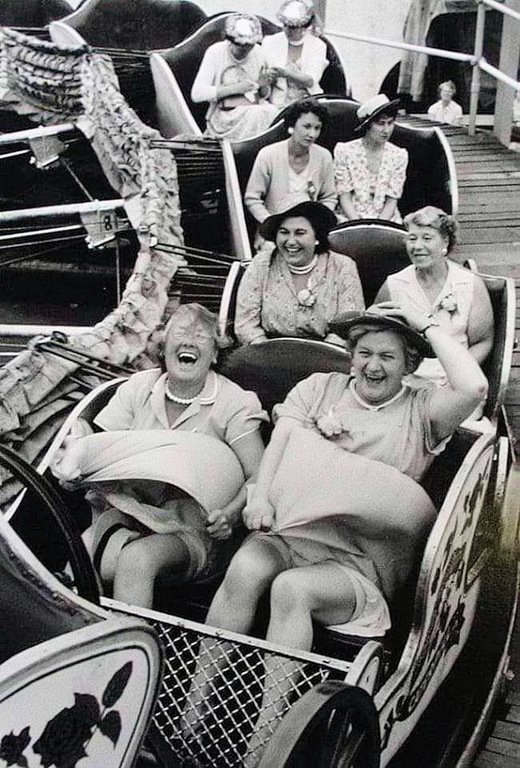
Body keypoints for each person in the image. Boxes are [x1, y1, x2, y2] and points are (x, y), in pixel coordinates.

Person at [182, 306, 488, 765]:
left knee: (291, 589)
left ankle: (263, 744)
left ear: (409, 364)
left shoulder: (423, 410)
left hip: (357, 560)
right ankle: (191, 715)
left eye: (387, 356)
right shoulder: (319, 388)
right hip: (292, 533)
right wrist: (260, 496)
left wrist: (422, 323)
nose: (373, 365)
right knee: (245, 566)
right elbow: (281, 443)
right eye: (364, 352)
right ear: (351, 355)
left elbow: (474, 387)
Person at [51, 303, 267, 608]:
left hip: (195, 532)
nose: (189, 340)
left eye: (200, 336)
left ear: (215, 354)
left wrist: (229, 515)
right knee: (78, 559)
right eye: (180, 332)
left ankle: (135, 639)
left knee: (137, 559)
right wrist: (77, 471)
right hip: (128, 517)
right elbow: (102, 451)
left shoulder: (235, 402)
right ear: (163, 348)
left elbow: (259, 474)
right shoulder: (139, 387)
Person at [373, 206, 494, 387]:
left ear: (445, 241)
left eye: (427, 238)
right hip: (404, 384)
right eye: (412, 238)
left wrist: (457, 375)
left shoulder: (469, 284)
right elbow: (375, 334)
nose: (417, 246)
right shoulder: (394, 284)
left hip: (456, 382)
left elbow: (483, 341)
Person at [234, 201, 364, 346]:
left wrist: (320, 355)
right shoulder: (262, 263)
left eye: (300, 233)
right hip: (266, 351)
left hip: (327, 353)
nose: (290, 241)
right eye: (284, 232)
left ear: (317, 237)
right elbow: (245, 323)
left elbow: (349, 325)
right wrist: (265, 351)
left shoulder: (342, 266)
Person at [244, 99, 337, 227]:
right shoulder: (268, 154)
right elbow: (252, 198)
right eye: (307, 126)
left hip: (310, 230)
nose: (312, 134)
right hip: (273, 229)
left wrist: (316, 221)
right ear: (292, 125)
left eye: (317, 128)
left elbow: (329, 197)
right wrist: (270, 223)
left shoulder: (324, 156)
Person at [191, 13, 278, 140]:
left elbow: (263, 95)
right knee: (256, 113)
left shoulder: (258, 51)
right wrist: (235, 88)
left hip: (253, 105)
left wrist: (263, 84)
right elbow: (197, 94)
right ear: (230, 41)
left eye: (250, 47)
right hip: (225, 111)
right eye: (241, 48)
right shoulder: (215, 52)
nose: (246, 51)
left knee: (272, 111)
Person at [334, 94, 409, 223]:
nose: (386, 130)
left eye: (390, 123)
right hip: (349, 216)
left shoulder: (399, 155)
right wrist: (357, 223)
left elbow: (392, 200)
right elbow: (344, 195)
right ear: (367, 125)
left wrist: (379, 226)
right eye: (381, 123)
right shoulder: (345, 151)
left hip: (386, 218)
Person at [262, 0, 328, 110]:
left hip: (308, 100)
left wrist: (286, 74)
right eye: (285, 25)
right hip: (277, 101)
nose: (287, 30)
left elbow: (310, 81)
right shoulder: (270, 41)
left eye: (293, 27)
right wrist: (268, 75)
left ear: (304, 26)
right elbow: (263, 74)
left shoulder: (318, 45)